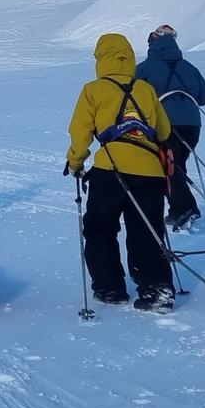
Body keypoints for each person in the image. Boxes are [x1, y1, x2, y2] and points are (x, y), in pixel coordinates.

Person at [66, 33, 177, 312]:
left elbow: (80, 133)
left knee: (100, 228)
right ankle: (157, 289)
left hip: (110, 169)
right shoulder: (146, 89)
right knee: (147, 230)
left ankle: (109, 287)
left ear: (100, 59)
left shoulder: (93, 89)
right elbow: (163, 131)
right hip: (150, 170)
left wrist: (75, 162)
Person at [136, 25, 205, 229]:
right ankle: (179, 209)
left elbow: (133, 97)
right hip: (193, 124)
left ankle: (185, 209)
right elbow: (203, 98)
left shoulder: (144, 68)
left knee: (168, 166)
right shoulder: (189, 67)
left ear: (153, 41)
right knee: (176, 165)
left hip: (164, 123)